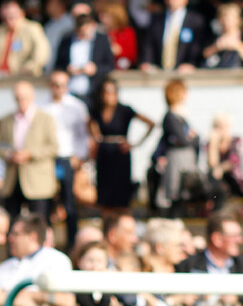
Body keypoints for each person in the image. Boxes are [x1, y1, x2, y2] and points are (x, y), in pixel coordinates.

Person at [89, 79, 154, 209]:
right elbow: (92, 129)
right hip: (104, 155)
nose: (109, 95)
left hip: (120, 154)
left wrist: (135, 144)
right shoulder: (96, 111)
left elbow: (150, 123)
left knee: (120, 195)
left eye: (112, 92)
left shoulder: (124, 110)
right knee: (105, 196)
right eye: (106, 92)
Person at [43, 70, 89, 250]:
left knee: (69, 204)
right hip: (48, 160)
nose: (59, 88)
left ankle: (72, 245)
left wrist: (79, 157)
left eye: (62, 84)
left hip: (68, 159)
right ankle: (48, 243)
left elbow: (82, 135)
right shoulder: (43, 107)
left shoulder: (77, 107)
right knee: (49, 203)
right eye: (55, 84)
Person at [0, 81, 58, 221]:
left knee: (38, 222)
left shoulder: (45, 119)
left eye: (24, 97)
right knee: (12, 221)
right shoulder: (6, 120)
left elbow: (53, 147)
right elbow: (2, 146)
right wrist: (10, 155)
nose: (21, 101)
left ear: (32, 97)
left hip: (37, 182)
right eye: (18, 97)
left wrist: (30, 154)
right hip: (13, 180)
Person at [175, 212, 243, 304]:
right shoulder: (189, 264)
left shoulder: (242, 264)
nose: (240, 240)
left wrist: (237, 297)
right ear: (217, 239)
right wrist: (184, 297)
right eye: (235, 236)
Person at [0, 214, 75, 306]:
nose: (10, 238)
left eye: (15, 234)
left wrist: (30, 295)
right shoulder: (5, 266)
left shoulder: (56, 259)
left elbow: (68, 301)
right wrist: (17, 299)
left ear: (32, 237)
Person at [158, 80, 201, 215]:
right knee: (174, 190)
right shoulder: (171, 117)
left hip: (185, 160)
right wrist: (191, 137)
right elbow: (183, 139)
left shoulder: (181, 117)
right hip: (177, 160)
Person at [140, 0, 206, 72]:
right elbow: (149, 43)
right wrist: (147, 62)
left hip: (185, 72)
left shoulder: (196, 21)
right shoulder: (157, 19)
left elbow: (198, 45)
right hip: (159, 71)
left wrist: (191, 63)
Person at [53, 13, 114, 104]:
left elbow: (110, 66)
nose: (82, 35)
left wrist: (95, 69)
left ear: (93, 26)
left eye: (85, 32)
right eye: (79, 32)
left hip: (94, 95)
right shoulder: (66, 40)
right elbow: (58, 65)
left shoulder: (102, 40)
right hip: (70, 93)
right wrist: (67, 69)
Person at [0, 0, 51, 77]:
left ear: (22, 13)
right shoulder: (1, 30)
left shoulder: (32, 28)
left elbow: (41, 53)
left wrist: (29, 68)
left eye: (12, 15)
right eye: (5, 17)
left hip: (25, 77)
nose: (8, 19)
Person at [201, 3, 243, 68]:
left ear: (238, 20)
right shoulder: (213, 38)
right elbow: (202, 56)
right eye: (224, 19)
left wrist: (238, 45)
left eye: (230, 19)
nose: (227, 22)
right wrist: (217, 47)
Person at [73, 241, 114, 306]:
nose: (94, 266)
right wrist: (107, 296)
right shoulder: (76, 285)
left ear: (106, 263)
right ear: (79, 262)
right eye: (90, 260)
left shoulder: (112, 282)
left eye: (99, 261)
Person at [99, 2, 138, 70]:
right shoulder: (101, 32)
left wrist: (120, 52)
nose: (103, 20)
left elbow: (133, 55)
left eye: (107, 17)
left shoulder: (127, 33)